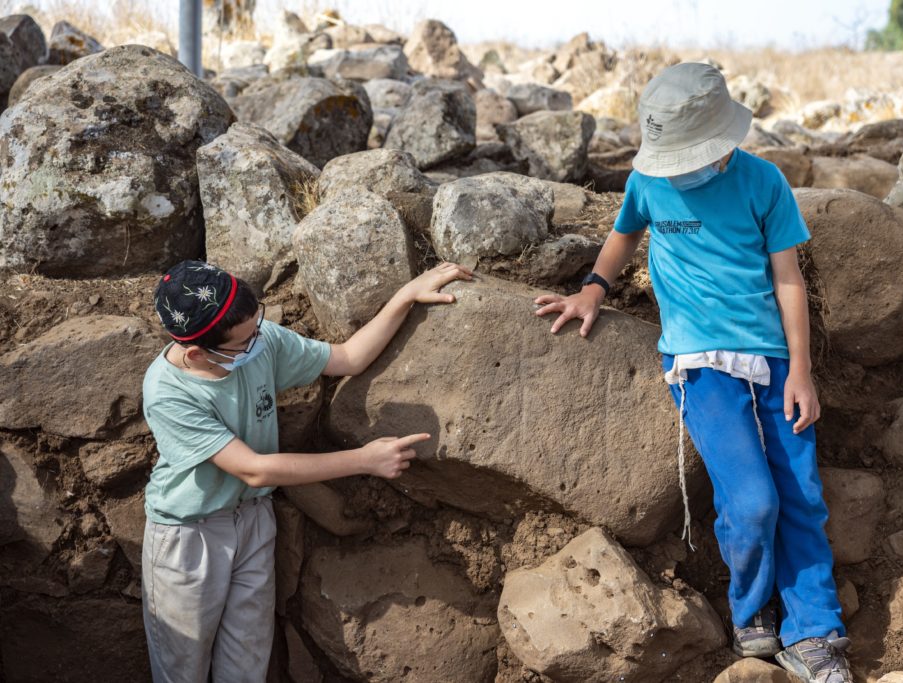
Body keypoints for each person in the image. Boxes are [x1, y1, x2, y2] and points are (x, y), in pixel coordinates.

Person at [534, 63, 851, 683]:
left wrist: (802, 371)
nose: (682, 167)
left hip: (774, 359)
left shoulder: (764, 181)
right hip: (699, 363)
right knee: (754, 502)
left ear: (723, 140)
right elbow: (623, 236)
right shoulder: (648, 181)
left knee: (802, 496)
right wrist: (594, 288)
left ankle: (816, 631)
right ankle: (751, 607)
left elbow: (788, 279)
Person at [141, 259, 472, 681]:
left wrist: (405, 295)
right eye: (245, 341)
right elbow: (255, 469)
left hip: (253, 521)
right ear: (196, 353)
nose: (260, 341)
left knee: (246, 668)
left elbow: (348, 357)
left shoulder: (257, 341)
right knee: (181, 671)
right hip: (190, 537)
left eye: (258, 326)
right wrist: (363, 461)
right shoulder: (168, 392)